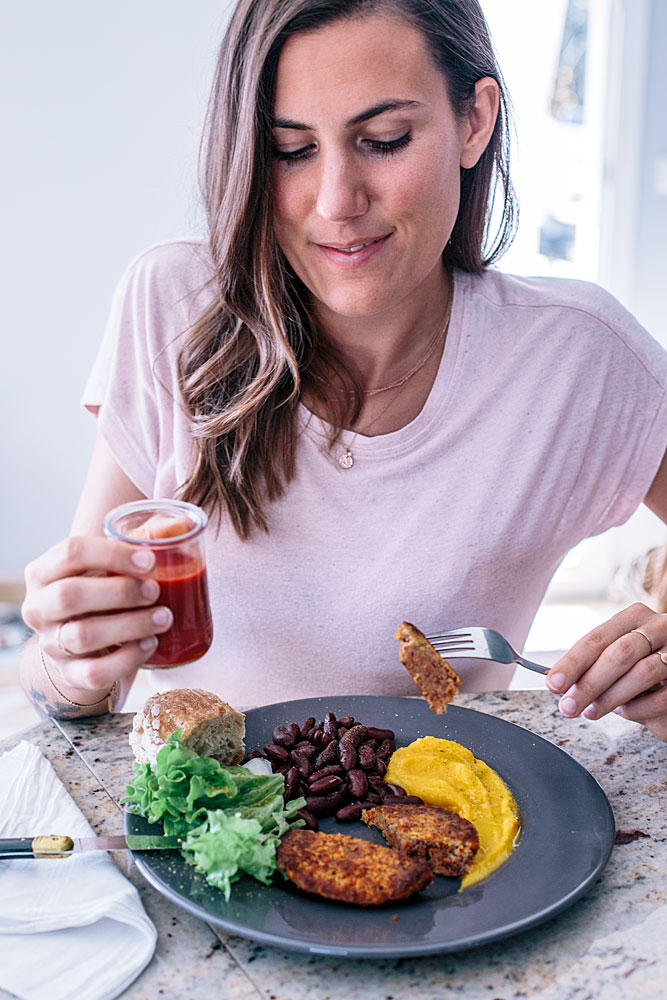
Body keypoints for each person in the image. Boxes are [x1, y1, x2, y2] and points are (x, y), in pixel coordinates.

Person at [20, 0, 667, 742]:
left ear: (474, 121)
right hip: (208, 828)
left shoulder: (577, 358)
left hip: (444, 827)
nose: (335, 202)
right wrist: (71, 667)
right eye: (291, 150)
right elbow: (65, 690)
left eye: (384, 140)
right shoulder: (172, 305)